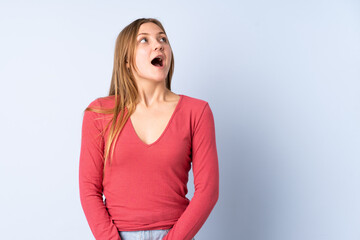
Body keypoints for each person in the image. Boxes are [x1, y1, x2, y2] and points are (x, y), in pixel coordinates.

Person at [79, 17, 219, 240]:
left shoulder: (197, 112)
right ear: (126, 60)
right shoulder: (99, 113)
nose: (158, 44)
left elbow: (208, 191)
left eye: (162, 38)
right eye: (144, 40)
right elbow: (89, 190)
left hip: (176, 235)